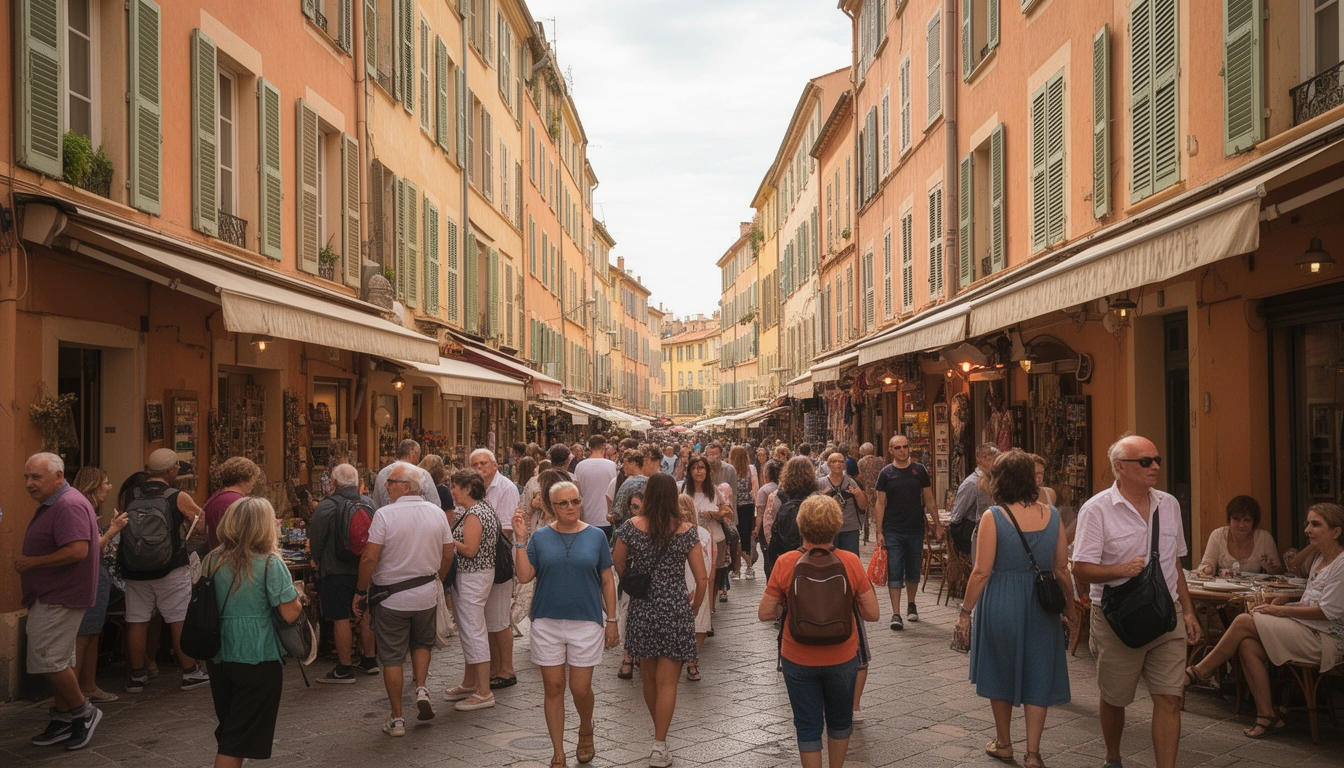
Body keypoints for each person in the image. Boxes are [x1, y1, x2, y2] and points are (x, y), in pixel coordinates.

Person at [1072, 435, 1200, 768]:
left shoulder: (1169, 504)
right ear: (1120, 467)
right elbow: (1080, 568)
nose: (1155, 466)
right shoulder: (1097, 509)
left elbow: (1174, 562)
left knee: (1170, 697)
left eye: (1157, 460)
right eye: (1145, 461)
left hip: (1166, 613)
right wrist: (1120, 569)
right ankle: (1113, 757)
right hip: (1118, 616)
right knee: (1115, 697)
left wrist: (1188, 611)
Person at [1184, 502, 1343, 738]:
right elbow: (1309, 596)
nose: (1307, 529)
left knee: (1243, 621)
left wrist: (1281, 611)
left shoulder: (1341, 564)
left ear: (1336, 531)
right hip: (1307, 629)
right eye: (1307, 523)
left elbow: (1326, 612)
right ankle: (1267, 715)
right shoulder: (1320, 558)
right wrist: (1283, 602)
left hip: (1326, 638)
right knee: (1247, 644)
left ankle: (1198, 671)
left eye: (1316, 524)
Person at [955, 451, 1073, 768]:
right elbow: (1061, 569)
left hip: (1001, 600)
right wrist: (1071, 609)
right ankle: (1033, 753)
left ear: (1001, 480)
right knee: (1039, 671)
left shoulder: (994, 516)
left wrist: (965, 612)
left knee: (1000, 668)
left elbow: (982, 571)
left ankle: (1004, 743)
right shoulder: (1052, 515)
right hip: (1041, 604)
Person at [757, 495, 880, 768]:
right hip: (842, 656)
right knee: (840, 721)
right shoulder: (850, 561)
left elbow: (764, 613)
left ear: (801, 526)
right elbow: (872, 614)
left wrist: (787, 605)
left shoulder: (786, 562)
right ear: (836, 526)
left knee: (807, 726)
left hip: (797, 656)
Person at [511, 481, 618, 768]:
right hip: (547, 620)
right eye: (563, 503)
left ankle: (585, 727)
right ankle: (558, 752)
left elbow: (607, 580)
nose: (571, 507)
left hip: (586, 620)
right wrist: (520, 540)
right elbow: (524, 576)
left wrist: (612, 620)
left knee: (580, 689)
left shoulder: (596, 536)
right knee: (553, 686)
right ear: (552, 507)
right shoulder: (540, 537)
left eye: (575, 501)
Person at [352, 462, 454, 735]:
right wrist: (437, 579)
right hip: (425, 595)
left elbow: (370, 557)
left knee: (392, 658)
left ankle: (397, 719)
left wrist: (360, 591)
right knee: (421, 643)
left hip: (391, 598)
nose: (386, 485)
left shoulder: (385, 515)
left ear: (407, 486)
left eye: (391, 481)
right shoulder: (436, 512)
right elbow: (448, 553)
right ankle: (421, 688)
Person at [613, 473, 707, 768]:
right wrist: (695, 606)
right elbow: (702, 578)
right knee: (668, 683)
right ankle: (659, 743)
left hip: (643, 607)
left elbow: (617, 560)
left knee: (650, 678)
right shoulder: (686, 530)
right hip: (675, 608)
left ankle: (658, 738)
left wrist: (631, 578)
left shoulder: (631, 526)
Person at [204, 497, 305, 768]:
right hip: (257, 653)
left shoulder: (211, 559)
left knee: (231, 728)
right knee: (236, 739)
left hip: (218, 653)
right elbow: (290, 613)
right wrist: (298, 596)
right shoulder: (270, 563)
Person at [18, 453, 104, 750]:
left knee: (49, 660)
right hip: (54, 595)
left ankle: (84, 712)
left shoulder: (67, 504)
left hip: (59, 596)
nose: (29, 483)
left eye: (36, 477)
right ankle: (65, 717)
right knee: (59, 660)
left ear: (58, 477)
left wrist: (31, 563)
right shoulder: (58, 502)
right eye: (26, 477)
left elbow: (78, 551)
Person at [122, 448, 209, 692]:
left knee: (137, 618)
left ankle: (136, 675)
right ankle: (190, 672)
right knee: (178, 618)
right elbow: (200, 523)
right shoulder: (177, 496)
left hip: (135, 567)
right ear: (172, 469)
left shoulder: (130, 494)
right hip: (170, 567)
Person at [309, 464, 379, 682]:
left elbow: (316, 541)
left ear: (334, 483)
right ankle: (370, 660)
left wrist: (316, 561)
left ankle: (344, 667)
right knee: (364, 612)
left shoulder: (326, 507)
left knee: (340, 617)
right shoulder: (369, 503)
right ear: (357, 482)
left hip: (335, 570)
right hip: (364, 569)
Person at [443, 469, 503, 712]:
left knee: (473, 630)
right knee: (470, 629)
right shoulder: (481, 509)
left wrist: (448, 540)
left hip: (472, 577)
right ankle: (470, 683)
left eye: (455, 487)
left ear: (467, 489)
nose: (452, 491)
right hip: (476, 576)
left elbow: (470, 549)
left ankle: (483, 691)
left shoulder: (476, 513)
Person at [70, 467, 126, 704]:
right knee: (84, 635)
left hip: (94, 576)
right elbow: (90, 550)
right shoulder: (80, 509)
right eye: (105, 482)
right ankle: (73, 694)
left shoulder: (85, 509)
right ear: (93, 485)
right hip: (89, 577)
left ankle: (87, 687)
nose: (109, 487)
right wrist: (113, 531)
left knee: (92, 633)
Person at [470, 449, 521, 690]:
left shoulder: (505, 488)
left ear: (494, 465)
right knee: (487, 618)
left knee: (499, 619)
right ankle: (492, 668)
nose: (480, 467)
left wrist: (478, 547)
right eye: (475, 464)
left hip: (498, 561)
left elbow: (506, 529)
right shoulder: (475, 488)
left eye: (483, 463)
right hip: (482, 562)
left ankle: (507, 670)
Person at [873, 435, 934, 631]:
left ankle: (911, 604)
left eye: (905, 447)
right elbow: (880, 503)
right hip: (893, 529)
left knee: (913, 568)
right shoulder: (886, 474)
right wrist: (879, 531)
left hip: (915, 528)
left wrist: (937, 525)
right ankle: (896, 613)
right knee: (895, 569)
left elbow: (929, 500)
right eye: (897, 447)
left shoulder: (919, 470)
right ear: (890, 450)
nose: (902, 450)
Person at [683, 455, 734, 605]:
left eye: (701, 468)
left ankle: (710, 608)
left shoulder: (714, 490)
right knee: (693, 575)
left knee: (712, 576)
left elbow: (729, 514)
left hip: (714, 539)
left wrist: (714, 514)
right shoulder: (685, 491)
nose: (698, 471)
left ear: (707, 471)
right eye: (694, 468)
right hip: (691, 539)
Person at [1195, 496, 1284, 576]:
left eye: (1247, 520)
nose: (1241, 525)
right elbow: (1205, 565)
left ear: (1254, 522)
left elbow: (1279, 571)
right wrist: (1208, 569)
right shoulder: (1217, 535)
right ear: (1229, 519)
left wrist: (1271, 570)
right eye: (1236, 519)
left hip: (1254, 589)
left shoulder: (1264, 537)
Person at [764, 457, 822, 577]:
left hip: (785, 552)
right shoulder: (817, 498)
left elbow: (769, 525)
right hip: (810, 553)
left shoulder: (776, 496)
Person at [678, 494, 714, 680]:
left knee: (699, 624)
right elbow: (710, 564)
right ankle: (691, 661)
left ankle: (691, 661)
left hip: (694, 580)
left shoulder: (703, 533)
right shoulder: (699, 534)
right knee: (698, 624)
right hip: (694, 580)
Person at [948, 444, 999, 556]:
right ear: (980, 459)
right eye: (990, 459)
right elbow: (957, 516)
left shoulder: (994, 481)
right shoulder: (972, 483)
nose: (994, 463)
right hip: (976, 534)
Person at [202, 457, 260, 550]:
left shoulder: (216, 497)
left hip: (218, 553)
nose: (254, 482)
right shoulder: (238, 502)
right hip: (234, 555)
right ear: (242, 479)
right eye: (253, 478)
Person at [820, 452, 867, 556]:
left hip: (850, 528)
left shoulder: (851, 482)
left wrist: (858, 494)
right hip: (828, 529)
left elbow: (863, 506)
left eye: (840, 461)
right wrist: (820, 496)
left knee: (850, 559)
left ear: (844, 464)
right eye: (834, 461)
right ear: (828, 464)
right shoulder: (821, 483)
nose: (838, 464)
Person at [574, 434, 620, 539]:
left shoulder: (580, 466)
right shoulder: (612, 466)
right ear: (604, 447)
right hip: (607, 518)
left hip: (587, 517)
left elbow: (577, 491)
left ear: (590, 448)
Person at [371, 440, 437, 509]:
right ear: (412, 453)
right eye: (418, 454)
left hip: (387, 514)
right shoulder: (422, 474)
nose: (419, 458)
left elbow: (376, 503)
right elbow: (434, 502)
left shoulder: (382, 474)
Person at [728, 446, 760, 579]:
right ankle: (749, 567)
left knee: (735, 536)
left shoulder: (730, 469)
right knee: (746, 535)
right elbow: (755, 486)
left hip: (734, 506)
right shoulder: (751, 468)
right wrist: (757, 504)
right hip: (748, 505)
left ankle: (737, 568)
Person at [856, 443, 884, 544]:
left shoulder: (861, 462)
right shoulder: (880, 461)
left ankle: (866, 534)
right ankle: (880, 531)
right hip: (879, 488)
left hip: (867, 487)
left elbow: (860, 476)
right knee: (880, 509)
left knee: (867, 511)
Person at [756, 460, 782, 551]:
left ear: (767, 473)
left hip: (767, 527)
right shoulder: (785, 487)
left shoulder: (764, 490)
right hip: (781, 526)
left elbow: (760, 513)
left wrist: (756, 529)